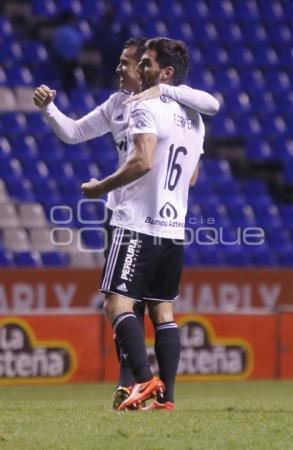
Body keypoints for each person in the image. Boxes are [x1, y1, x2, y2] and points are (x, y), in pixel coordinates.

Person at [33, 37, 219, 410]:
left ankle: (142, 381)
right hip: (169, 225)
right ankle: (152, 393)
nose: (120, 69)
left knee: (118, 303)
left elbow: (143, 161)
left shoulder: (149, 108)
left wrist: (101, 187)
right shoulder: (173, 113)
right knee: (157, 309)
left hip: (133, 220)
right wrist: (50, 108)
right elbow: (72, 133)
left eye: (132, 63)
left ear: (155, 71)